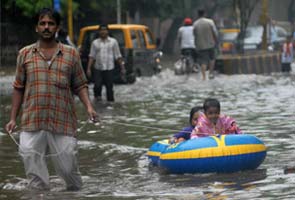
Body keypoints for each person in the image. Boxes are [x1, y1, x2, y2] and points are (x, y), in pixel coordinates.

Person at [5, 8, 98, 191]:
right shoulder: (24, 54)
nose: (46, 27)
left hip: (62, 120)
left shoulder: (71, 54)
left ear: (57, 27)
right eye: (42, 23)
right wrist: (12, 118)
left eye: (50, 23)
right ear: (37, 28)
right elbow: (18, 87)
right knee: (32, 165)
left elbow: (80, 85)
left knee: (69, 169)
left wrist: (89, 107)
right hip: (32, 120)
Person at [86, 24, 125, 102]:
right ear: (99, 32)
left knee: (109, 87)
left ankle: (110, 104)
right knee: (97, 85)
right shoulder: (95, 43)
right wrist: (88, 69)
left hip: (109, 68)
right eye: (101, 30)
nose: (103, 32)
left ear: (108, 31)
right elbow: (92, 56)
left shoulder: (113, 42)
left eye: (105, 30)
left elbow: (118, 55)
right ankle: (97, 101)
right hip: (98, 68)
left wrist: (122, 68)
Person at [193, 9, 218, 80]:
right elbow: (215, 32)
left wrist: (196, 44)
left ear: (198, 15)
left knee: (203, 61)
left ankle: (204, 77)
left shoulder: (195, 24)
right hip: (210, 43)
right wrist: (216, 40)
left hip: (201, 45)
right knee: (212, 58)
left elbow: (194, 35)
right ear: (204, 14)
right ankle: (210, 73)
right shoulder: (210, 22)